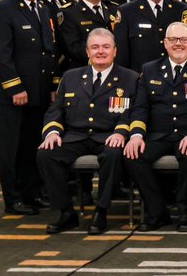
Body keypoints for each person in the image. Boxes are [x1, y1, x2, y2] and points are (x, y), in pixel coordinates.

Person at [37, 28, 139, 234]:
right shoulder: (71, 77)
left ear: (115, 51)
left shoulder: (131, 78)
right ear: (87, 52)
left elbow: (134, 111)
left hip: (109, 136)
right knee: (46, 154)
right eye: (95, 47)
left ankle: (101, 211)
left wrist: (121, 132)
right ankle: (66, 212)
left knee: (114, 154)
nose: (100, 51)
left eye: (105, 47)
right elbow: (56, 110)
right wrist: (53, 133)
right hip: (76, 135)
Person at [122, 23, 187, 232]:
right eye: (173, 40)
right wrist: (136, 135)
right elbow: (140, 107)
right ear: (165, 43)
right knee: (132, 155)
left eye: (183, 40)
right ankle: (157, 212)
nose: (178, 44)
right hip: (158, 134)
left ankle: (186, 213)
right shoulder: (149, 69)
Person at [0, 0, 59, 216]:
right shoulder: (3, 10)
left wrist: (51, 86)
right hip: (13, 96)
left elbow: (49, 51)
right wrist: (15, 88)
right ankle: (13, 198)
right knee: (11, 149)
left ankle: (32, 192)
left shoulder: (42, 8)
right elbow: (1, 55)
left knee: (32, 146)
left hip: (38, 93)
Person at [115, 0, 186, 71]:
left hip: (174, 78)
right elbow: (121, 54)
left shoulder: (181, 10)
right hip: (141, 80)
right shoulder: (127, 12)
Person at [57, 0, 120, 71]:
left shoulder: (114, 9)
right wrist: (103, 59)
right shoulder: (69, 13)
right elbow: (73, 47)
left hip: (115, 69)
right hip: (85, 70)